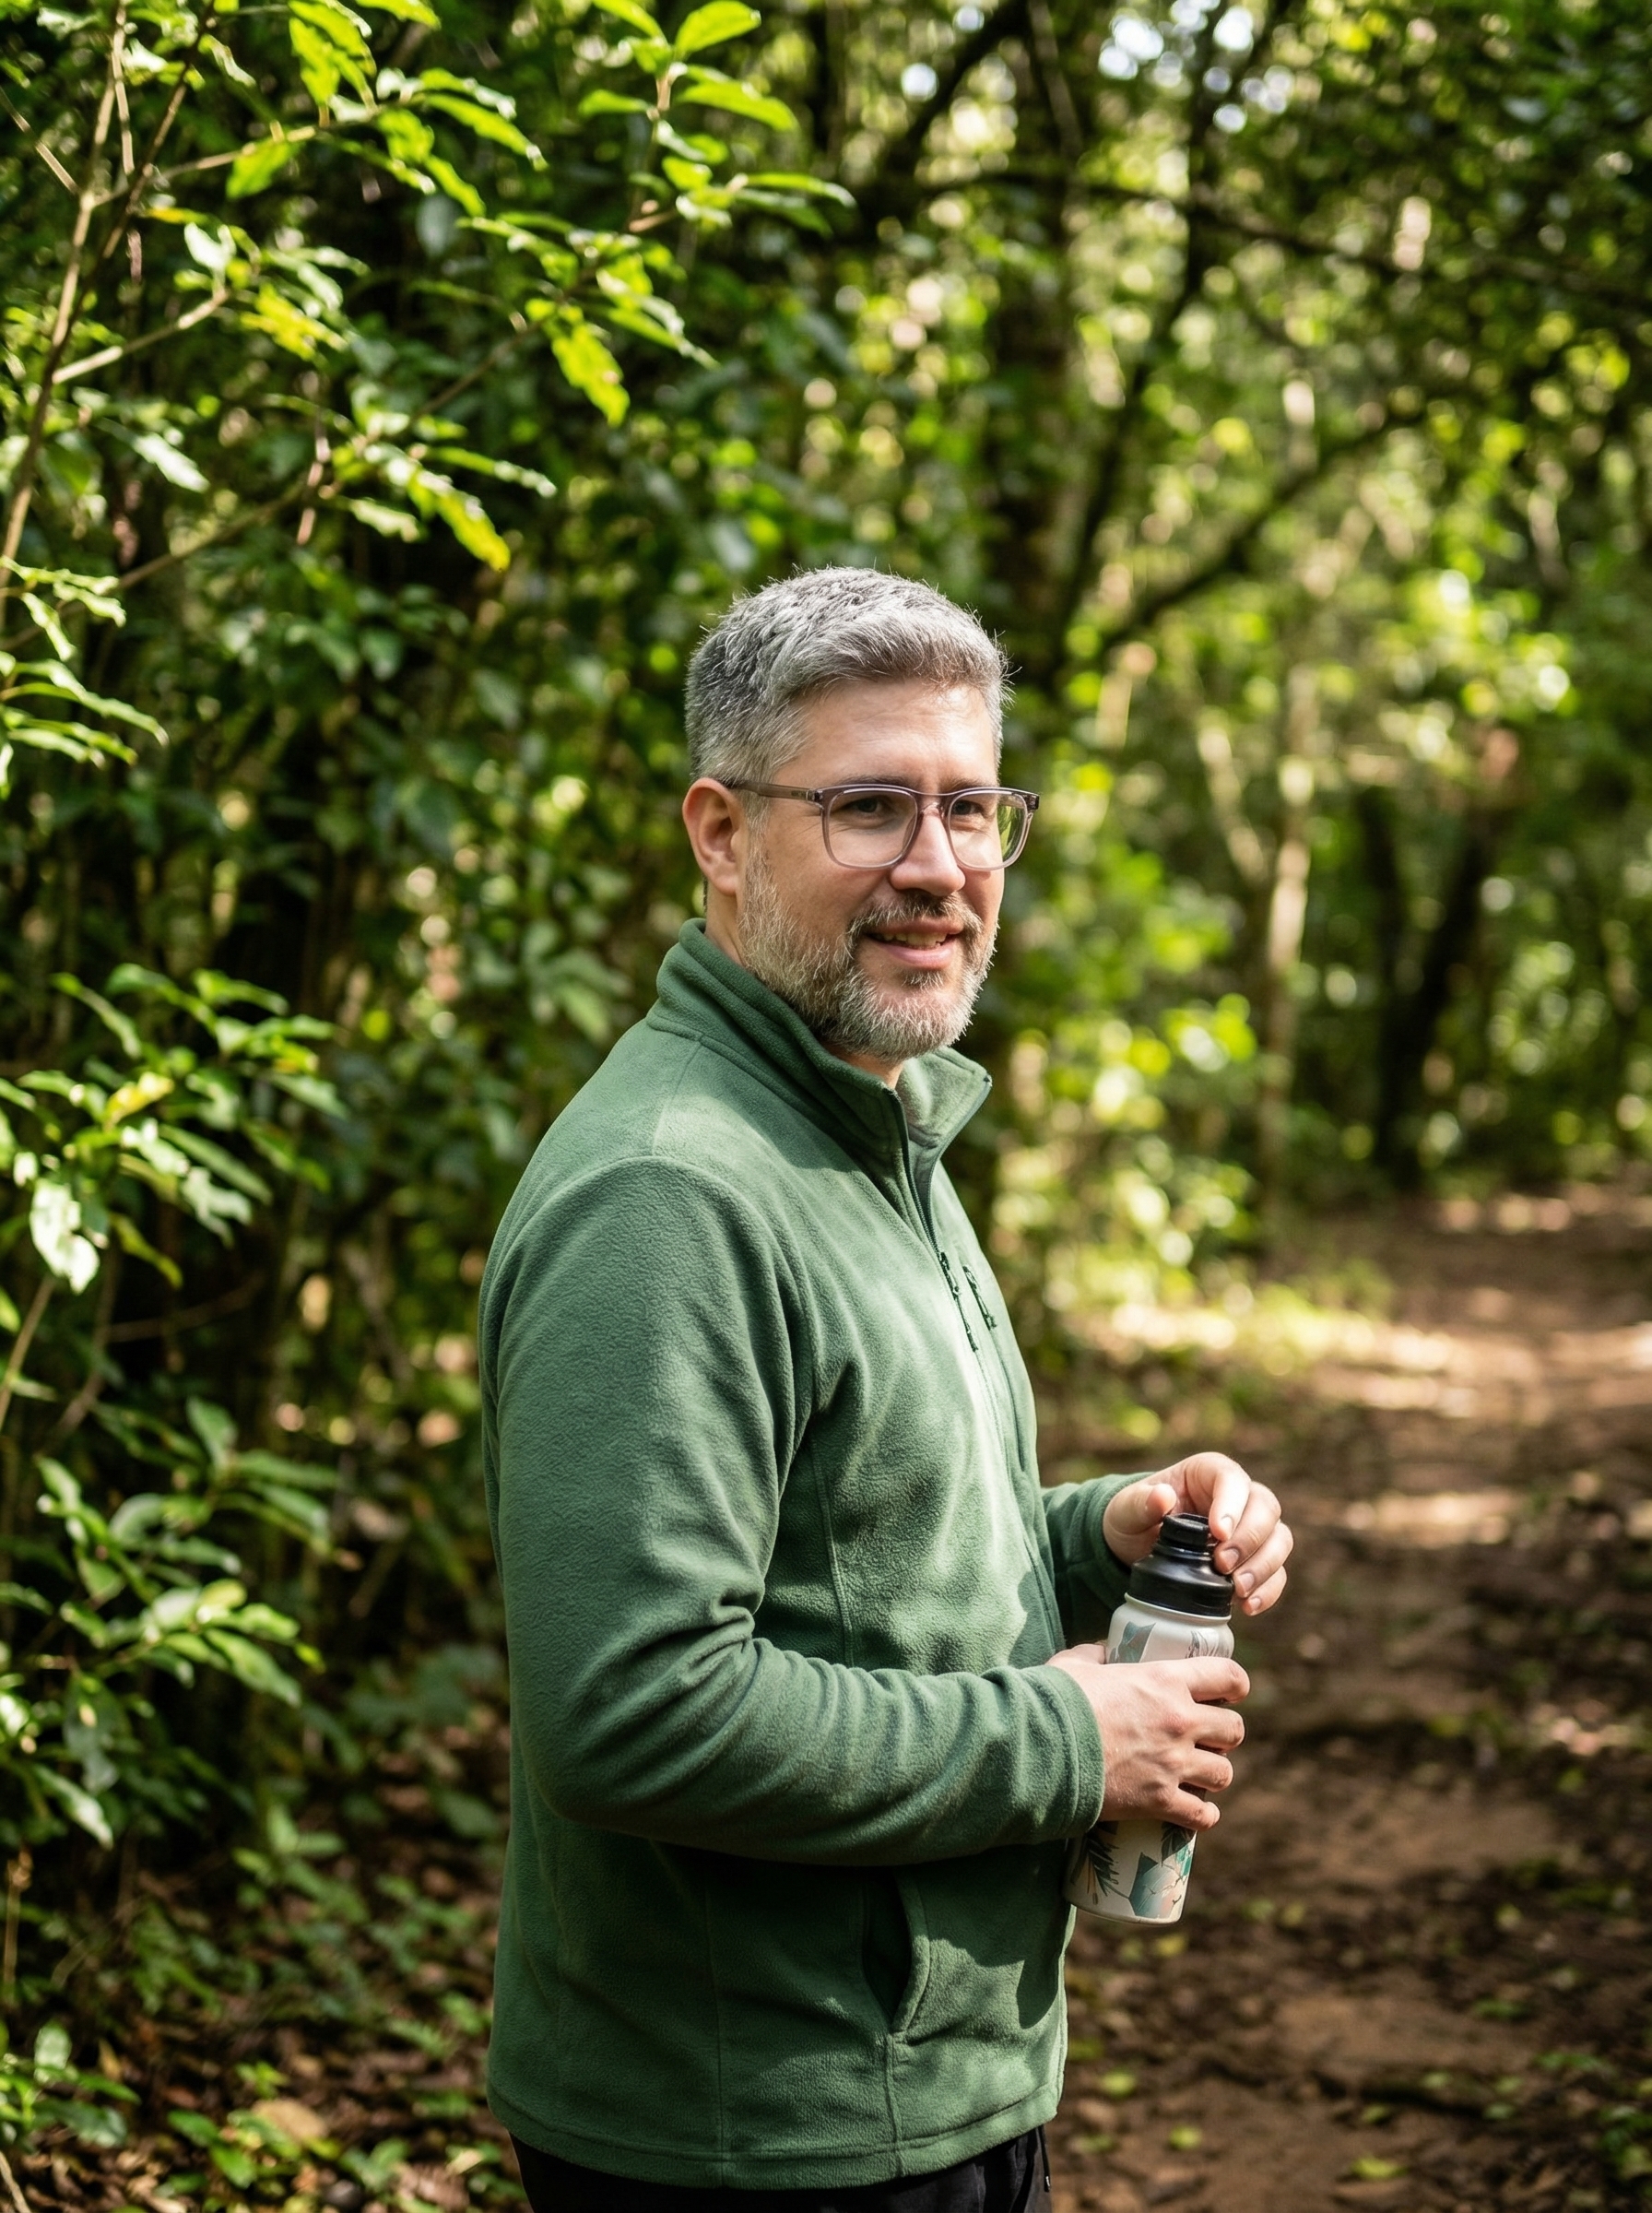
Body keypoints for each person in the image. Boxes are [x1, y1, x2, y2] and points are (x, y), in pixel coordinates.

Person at [478, 569, 1292, 2212]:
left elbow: (860, 1559)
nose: (939, 866)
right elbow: (633, 1713)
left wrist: (1102, 1536)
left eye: (972, 808)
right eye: (868, 807)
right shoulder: (670, 1193)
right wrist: (1066, 1740)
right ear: (721, 833)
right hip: (767, 2135)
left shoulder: (870, 1119)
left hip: (920, 2090)